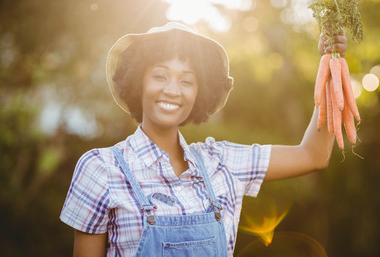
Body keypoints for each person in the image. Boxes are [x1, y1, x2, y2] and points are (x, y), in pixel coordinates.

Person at [60, 22, 347, 257]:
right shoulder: (101, 168)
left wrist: (332, 70)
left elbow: (314, 155)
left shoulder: (221, 162)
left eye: (187, 81)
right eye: (160, 76)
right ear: (138, 82)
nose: (173, 90)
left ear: (199, 93)